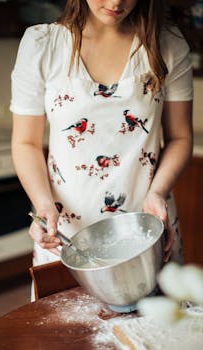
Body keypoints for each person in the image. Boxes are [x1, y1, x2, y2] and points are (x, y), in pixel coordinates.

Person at [10, 0, 193, 271]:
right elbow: (26, 142)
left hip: (145, 229)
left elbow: (180, 137)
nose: (116, 2)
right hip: (66, 234)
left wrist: (158, 192)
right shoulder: (42, 44)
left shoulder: (168, 44)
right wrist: (43, 204)